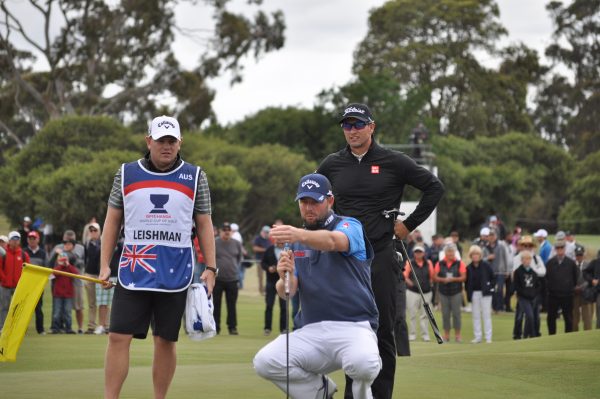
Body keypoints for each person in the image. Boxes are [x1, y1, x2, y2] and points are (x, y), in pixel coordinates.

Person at [317, 102, 444, 399]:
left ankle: (381, 395)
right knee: (351, 329)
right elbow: (313, 201)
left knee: (384, 329)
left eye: (358, 124)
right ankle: (354, 393)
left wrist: (408, 225)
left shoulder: (393, 161)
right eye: (347, 125)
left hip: (382, 254)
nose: (352, 131)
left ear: (372, 127)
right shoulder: (332, 164)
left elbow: (434, 187)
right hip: (344, 260)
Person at [98, 115, 217, 399]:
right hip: (134, 269)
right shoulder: (126, 173)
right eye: (161, 140)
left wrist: (211, 266)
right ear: (148, 141)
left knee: (165, 340)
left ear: (179, 143)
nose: (166, 146)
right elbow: (112, 221)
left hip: (175, 272)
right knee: (117, 336)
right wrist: (104, 264)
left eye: (171, 141)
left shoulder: (195, 175)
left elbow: (204, 223)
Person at [254, 173, 381, 399]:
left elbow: (335, 241)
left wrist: (297, 234)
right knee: (265, 361)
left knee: (364, 365)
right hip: (312, 330)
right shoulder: (295, 240)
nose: (309, 207)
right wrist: (285, 276)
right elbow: (288, 292)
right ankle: (320, 393)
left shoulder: (350, 225)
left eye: (315, 201)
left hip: (355, 326)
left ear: (330, 201)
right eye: (304, 202)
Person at [511, 235, 545, 339]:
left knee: (534, 315)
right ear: (521, 246)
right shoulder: (517, 258)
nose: (527, 247)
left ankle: (532, 333)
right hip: (522, 290)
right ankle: (517, 334)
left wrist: (533, 269)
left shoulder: (536, 258)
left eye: (529, 245)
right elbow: (516, 273)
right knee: (520, 315)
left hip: (533, 290)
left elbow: (543, 272)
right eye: (524, 245)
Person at [214, 222, 243, 335]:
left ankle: (232, 327)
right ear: (220, 231)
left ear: (231, 231)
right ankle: (216, 327)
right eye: (224, 230)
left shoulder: (236, 243)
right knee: (216, 304)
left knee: (232, 305)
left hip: (232, 278)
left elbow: (239, 258)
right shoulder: (215, 242)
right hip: (218, 279)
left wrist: (234, 268)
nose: (226, 232)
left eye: (228, 230)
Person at [433, 243, 467, 342]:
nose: (451, 254)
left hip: (456, 292)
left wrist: (453, 279)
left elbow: (464, 277)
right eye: (449, 251)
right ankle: (446, 335)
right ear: (445, 253)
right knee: (445, 314)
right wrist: (443, 279)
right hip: (443, 292)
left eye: (452, 251)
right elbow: (435, 277)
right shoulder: (439, 263)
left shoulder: (460, 263)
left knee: (456, 314)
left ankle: (457, 335)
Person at [545, 240, 579, 335]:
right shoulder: (550, 263)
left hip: (567, 295)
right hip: (553, 295)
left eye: (562, 248)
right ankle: (552, 336)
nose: (560, 250)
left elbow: (575, 278)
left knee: (568, 317)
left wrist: (569, 287)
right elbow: (546, 278)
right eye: (558, 248)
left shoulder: (571, 263)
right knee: (551, 317)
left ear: (564, 249)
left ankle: (568, 336)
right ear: (555, 250)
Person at [402, 245, 434, 342]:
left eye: (420, 252)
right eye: (416, 252)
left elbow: (432, 276)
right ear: (414, 253)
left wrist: (430, 285)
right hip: (413, 292)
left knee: (425, 314)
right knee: (412, 314)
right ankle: (412, 334)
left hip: (426, 292)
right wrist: (409, 282)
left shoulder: (428, 263)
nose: (418, 254)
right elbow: (405, 276)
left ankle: (425, 335)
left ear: (423, 253)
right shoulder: (409, 262)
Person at [0, 231, 31, 331]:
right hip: (5, 285)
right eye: (13, 239)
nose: (15, 241)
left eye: (17, 239)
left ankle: (17, 328)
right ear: (9, 240)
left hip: (19, 286)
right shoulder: (3, 254)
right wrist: (4, 279)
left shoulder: (23, 254)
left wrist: (23, 282)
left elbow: (28, 270)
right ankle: (3, 328)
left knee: (18, 308)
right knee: (4, 307)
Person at [465, 245, 494, 344]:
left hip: (485, 293)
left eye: (477, 254)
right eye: (473, 254)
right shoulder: (468, 268)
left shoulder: (486, 265)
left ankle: (488, 337)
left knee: (486, 315)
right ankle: (478, 337)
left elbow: (492, 277)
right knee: (476, 316)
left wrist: (490, 288)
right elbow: (467, 283)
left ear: (480, 255)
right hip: (474, 294)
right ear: (471, 256)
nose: (475, 256)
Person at [23, 231, 48, 334]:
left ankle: (40, 329)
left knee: (38, 308)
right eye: (30, 239)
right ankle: (23, 330)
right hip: (25, 285)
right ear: (27, 240)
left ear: (38, 240)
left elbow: (46, 268)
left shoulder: (42, 253)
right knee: (24, 308)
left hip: (38, 284)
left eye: (34, 238)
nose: (32, 240)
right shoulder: (24, 252)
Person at [513, 251, 540, 339]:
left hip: (532, 298)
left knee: (530, 318)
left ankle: (526, 335)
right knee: (529, 316)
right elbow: (516, 286)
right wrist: (524, 293)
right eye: (525, 259)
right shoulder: (518, 272)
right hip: (522, 298)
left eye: (529, 259)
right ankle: (531, 335)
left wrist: (534, 293)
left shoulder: (533, 272)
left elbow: (538, 285)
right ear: (522, 260)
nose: (527, 261)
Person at [261, 241, 286, 336]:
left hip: (283, 281)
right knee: (269, 305)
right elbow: (263, 263)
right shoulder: (269, 249)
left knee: (283, 306)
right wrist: (268, 268)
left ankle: (283, 328)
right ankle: (267, 328)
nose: (280, 242)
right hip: (271, 282)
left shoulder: (288, 250)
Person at [51, 254, 80, 334]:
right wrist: (60, 266)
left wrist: (68, 265)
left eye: (65, 260)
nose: (63, 262)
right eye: (62, 260)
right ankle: (55, 328)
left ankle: (68, 328)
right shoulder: (57, 268)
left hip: (68, 294)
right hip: (58, 294)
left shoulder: (70, 268)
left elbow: (76, 273)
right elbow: (53, 274)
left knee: (67, 312)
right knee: (57, 312)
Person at [483, 228, 510, 313]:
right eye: (489, 236)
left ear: (496, 236)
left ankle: (500, 307)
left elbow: (506, 258)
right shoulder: (485, 248)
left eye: (493, 235)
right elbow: (482, 259)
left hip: (500, 271)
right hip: (490, 272)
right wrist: (488, 258)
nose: (491, 237)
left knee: (499, 289)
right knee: (492, 290)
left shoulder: (501, 246)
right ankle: (494, 307)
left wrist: (507, 270)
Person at [84, 222, 102, 333]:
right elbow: (85, 259)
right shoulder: (87, 244)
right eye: (91, 231)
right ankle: (91, 326)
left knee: (102, 302)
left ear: (99, 232)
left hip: (101, 275)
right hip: (89, 274)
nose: (93, 233)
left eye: (95, 230)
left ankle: (104, 325)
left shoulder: (104, 243)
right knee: (91, 302)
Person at [572, 245, 593, 331]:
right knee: (574, 318)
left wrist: (582, 287)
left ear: (583, 255)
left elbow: (590, 279)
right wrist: (574, 287)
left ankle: (587, 335)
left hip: (585, 294)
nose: (579, 257)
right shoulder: (571, 265)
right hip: (574, 294)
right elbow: (568, 278)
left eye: (580, 255)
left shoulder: (589, 265)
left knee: (587, 317)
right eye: (577, 255)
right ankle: (573, 336)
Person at [253, 225, 272, 295]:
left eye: (268, 232)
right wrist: (265, 250)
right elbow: (255, 248)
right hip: (260, 261)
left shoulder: (269, 239)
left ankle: (267, 290)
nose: (267, 233)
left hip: (268, 261)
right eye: (266, 232)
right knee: (260, 277)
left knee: (269, 276)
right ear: (263, 231)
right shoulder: (258, 238)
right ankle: (261, 291)